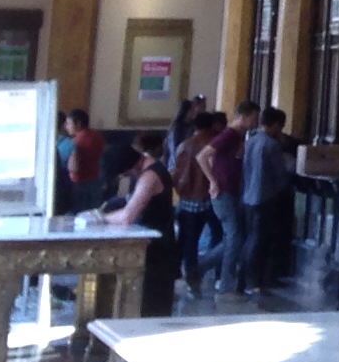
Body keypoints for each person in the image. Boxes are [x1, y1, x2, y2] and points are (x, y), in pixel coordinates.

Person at [99, 144, 182, 317]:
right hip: (156, 245)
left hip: (158, 249)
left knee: (152, 305)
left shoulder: (150, 177)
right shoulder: (150, 170)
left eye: (126, 174)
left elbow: (127, 216)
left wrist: (100, 218)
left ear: (131, 167)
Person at [240, 106, 297, 298]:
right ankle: (255, 282)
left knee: (251, 239)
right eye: (280, 126)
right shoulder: (271, 145)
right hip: (265, 197)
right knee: (260, 240)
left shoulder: (251, 141)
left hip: (248, 196)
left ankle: (247, 280)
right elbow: (280, 174)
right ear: (274, 124)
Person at [169, 111, 226, 293]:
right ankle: (217, 273)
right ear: (212, 125)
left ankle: (191, 276)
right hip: (211, 197)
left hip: (187, 200)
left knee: (189, 241)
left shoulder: (184, 145)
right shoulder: (213, 145)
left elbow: (176, 173)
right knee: (220, 237)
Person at [209, 103, 258, 295]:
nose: (255, 122)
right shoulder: (230, 134)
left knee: (233, 237)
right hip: (224, 191)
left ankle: (199, 267)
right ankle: (224, 280)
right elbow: (203, 155)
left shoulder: (237, 136)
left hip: (229, 189)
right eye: (253, 117)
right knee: (234, 237)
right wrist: (213, 181)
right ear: (244, 117)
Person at [57, 110, 103, 216]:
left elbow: (73, 168)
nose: (66, 127)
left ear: (78, 124)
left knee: (80, 215)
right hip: (95, 179)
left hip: (80, 183)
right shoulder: (97, 136)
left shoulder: (76, 142)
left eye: (68, 123)